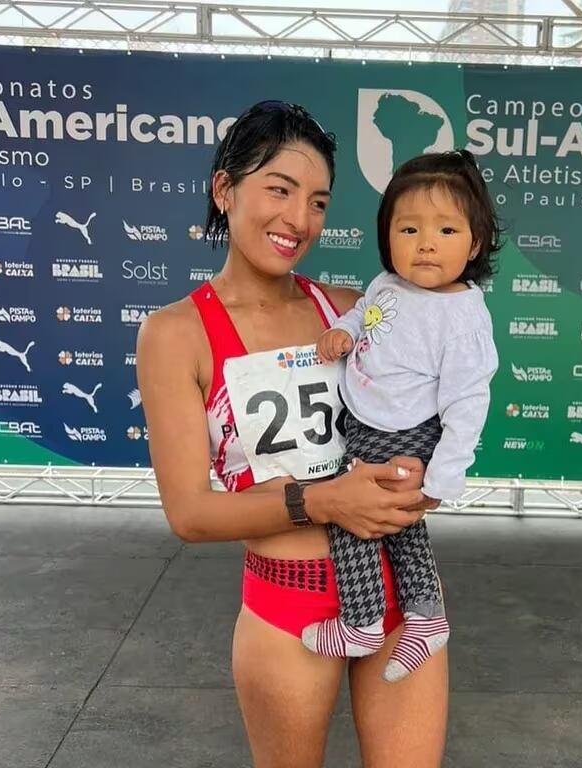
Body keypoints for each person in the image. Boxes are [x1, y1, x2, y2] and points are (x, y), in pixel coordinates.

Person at [137, 101, 448, 768]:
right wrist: (322, 500)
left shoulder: (346, 308)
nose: (298, 220)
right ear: (225, 189)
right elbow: (189, 513)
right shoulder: (176, 334)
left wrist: (426, 473)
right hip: (288, 606)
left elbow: (430, 408)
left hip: (401, 596)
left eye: (317, 201)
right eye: (279, 190)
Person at [303, 150, 499, 683]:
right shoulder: (389, 285)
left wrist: (441, 478)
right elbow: (366, 312)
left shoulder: (461, 318)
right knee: (401, 528)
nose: (426, 242)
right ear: (387, 235)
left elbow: (468, 402)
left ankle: (362, 620)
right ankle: (427, 615)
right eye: (409, 228)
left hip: (404, 433)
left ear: (475, 242)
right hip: (365, 421)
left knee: (356, 516)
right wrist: (344, 330)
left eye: (447, 229)